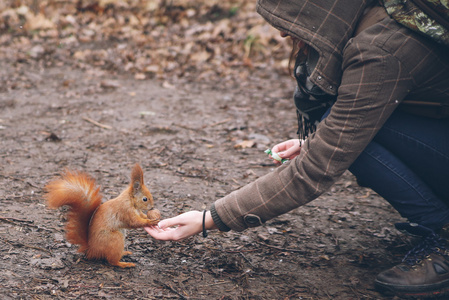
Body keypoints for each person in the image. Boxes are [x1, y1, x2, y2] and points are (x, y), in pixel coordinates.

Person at [146, 0, 449, 297]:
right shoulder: (384, 17)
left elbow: (314, 171)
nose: (282, 34)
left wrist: (208, 218)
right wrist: (318, 141)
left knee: (336, 126)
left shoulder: (381, 51)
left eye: (295, 17)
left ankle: (443, 231)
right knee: (340, 127)